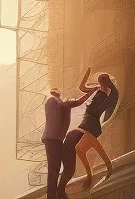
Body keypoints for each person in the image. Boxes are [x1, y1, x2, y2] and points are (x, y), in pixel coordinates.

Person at [57, 73, 119, 198]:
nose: (100, 84)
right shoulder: (97, 88)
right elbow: (82, 87)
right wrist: (87, 73)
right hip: (85, 123)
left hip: (92, 125)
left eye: (101, 82)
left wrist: (91, 106)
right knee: (77, 146)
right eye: (100, 82)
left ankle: (107, 167)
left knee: (82, 147)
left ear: (106, 83)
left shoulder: (109, 93)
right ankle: (92, 173)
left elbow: (100, 109)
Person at [41, 68, 98, 199]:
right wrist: (91, 92)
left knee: (59, 168)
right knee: (54, 169)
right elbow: (77, 102)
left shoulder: (58, 103)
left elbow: (75, 103)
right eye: (57, 93)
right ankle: (52, 197)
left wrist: (89, 92)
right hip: (53, 139)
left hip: (55, 140)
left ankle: (57, 193)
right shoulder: (54, 102)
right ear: (56, 94)